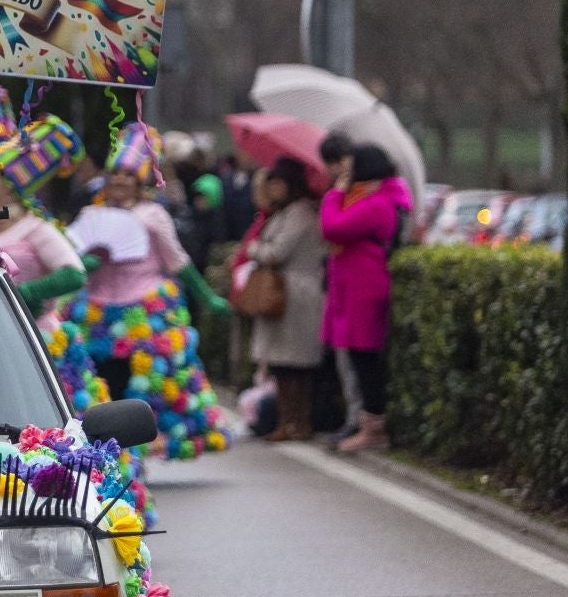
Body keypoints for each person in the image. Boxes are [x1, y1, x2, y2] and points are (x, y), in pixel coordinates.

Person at [68, 123, 231, 459]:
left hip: (144, 311)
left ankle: (136, 453)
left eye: (128, 175)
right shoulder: (90, 214)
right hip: (96, 312)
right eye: (115, 174)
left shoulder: (153, 214)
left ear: (140, 181)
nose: (120, 181)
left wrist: (207, 297)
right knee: (98, 384)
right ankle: (101, 450)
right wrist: (85, 263)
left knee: (148, 386)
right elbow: (68, 262)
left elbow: (178, 261)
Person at [0, 155, 107, 415]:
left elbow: (74, 274)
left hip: (33, 338)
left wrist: (22, 295)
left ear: (10, 185)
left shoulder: (36, 228)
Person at [321, 144, 414, 452]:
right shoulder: (376, 198)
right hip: (355, 286)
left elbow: (333, 226)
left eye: (350, 169)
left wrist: (335, 193)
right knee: (360, 358)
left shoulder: (376, 203)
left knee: (365, 359)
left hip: (364, 287)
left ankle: (373, 427)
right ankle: (366, 423)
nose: (344, 176)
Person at [245, 158, 327, 442]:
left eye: (279, 183)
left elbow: (276, 252)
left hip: (295, 294)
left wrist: (255, 249)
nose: (274, 189)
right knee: (281, 365)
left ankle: (298, 421)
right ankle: (286, 420)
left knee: (296, 364)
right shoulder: (285, 212)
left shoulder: (300, 214)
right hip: (284, 293)